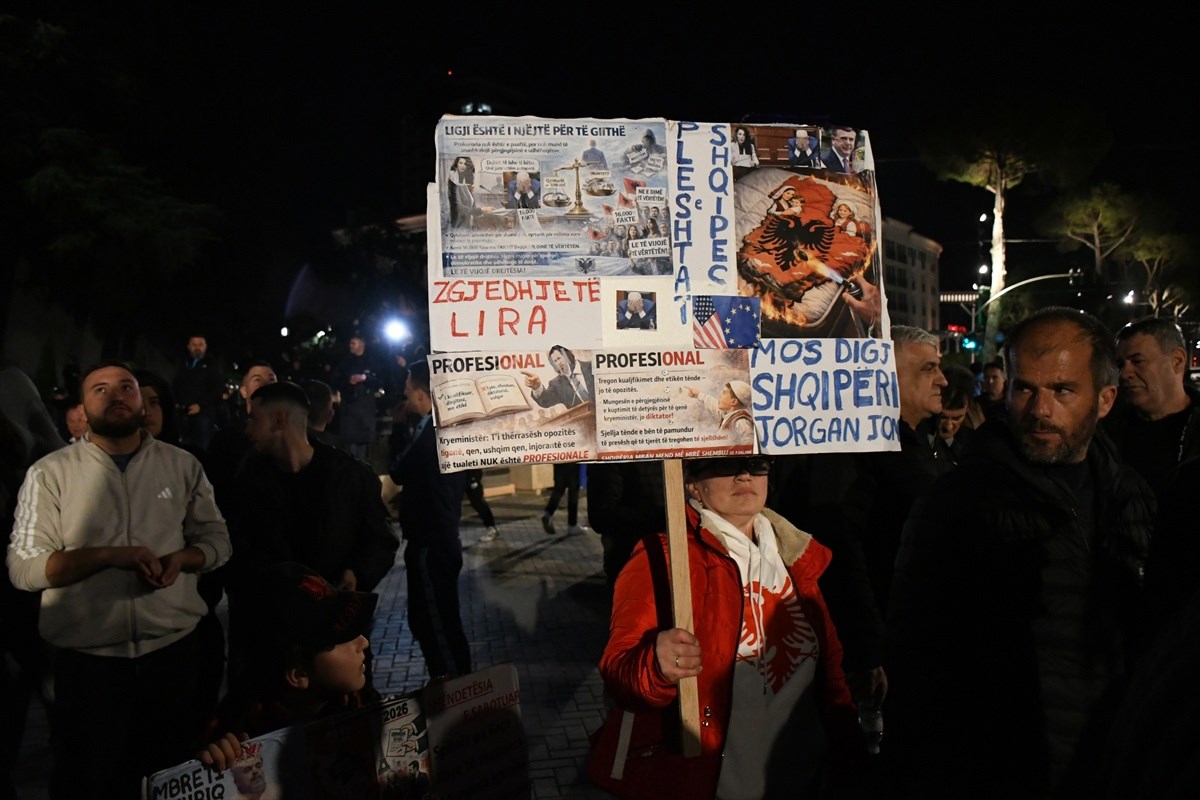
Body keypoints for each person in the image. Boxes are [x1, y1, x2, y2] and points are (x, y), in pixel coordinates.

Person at [886, 307, 1153, 798]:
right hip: (1002, 764)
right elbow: (915, 653)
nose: (1039, 409)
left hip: (1116, 756)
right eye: (1025, 388)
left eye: (1063, 390)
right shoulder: (957, 502)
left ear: (1106, 399)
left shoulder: (1132, 495)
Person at [7, 360, 231, 798]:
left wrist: (183, 559)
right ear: (81, 407)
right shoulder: (49, 474)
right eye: (100, 389)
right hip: (89, 666)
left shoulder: (181, 465)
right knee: (91, 781)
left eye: (126, 387)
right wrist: (110, 557)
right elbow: (24, 568)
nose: (116, 397)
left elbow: (218, 540)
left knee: (171, 776)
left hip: (173, 654)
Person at [587, 456, 861, 798]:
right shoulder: (664, 555)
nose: (745, 473)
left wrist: (848, 738)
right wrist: (656, 666)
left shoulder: (796, 553)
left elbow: (830, 668)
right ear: (692, 484)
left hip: (801, 775)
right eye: (725, 462)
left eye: (758, 463)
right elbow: (618, 671)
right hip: (712, 780)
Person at [225, 380, 398, 694]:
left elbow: (381, 540)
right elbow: (238, 558)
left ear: (279, 420)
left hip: (338, 638)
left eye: (254, 418)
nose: (248, 429)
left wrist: (356, 573)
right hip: (273, 644)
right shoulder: (245, 481)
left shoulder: (350, 476)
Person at [198, 561, 379, 771]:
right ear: (299, 674)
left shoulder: (357, 700)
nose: (362, 643)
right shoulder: (237, 732)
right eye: (339, 640)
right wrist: (214, 760)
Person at [388, 360, 471, 679]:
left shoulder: (431, 435)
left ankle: (456, 694)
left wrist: (397, 429)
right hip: (440, 540)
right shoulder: (445, 430)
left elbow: (398, 469)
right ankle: (451, 685)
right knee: (431, 621)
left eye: (409, 391)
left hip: (431, 543)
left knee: (437, 624)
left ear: (424, 394)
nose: (405, 398)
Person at [1103, 316, 1200, 498]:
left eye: (1138, 361)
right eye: (1120, 365)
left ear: (1177, 361)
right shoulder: (1104, 431)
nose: (1124, 374)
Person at [586, 460, 666, 593]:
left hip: (672, 560)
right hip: (630, 563)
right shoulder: (610, 454)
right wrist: (661, 517)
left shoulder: (671, 449)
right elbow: (600, 516)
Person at [331, 334, 384, 462]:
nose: (351, 346)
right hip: (350, 405)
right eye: (350, 343)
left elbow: (380, 380)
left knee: (363, 440)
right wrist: (349, 381)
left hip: (366, 405)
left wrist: (366, 378)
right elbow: (336, 379)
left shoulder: (372, 361)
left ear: (362, 343)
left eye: (353, 343)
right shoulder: (345, 362)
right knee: (350, 442)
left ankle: (362, 467)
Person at [172, 334, 225, 452]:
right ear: (188, 346)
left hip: (203, 416)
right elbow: (175, 385)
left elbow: (217, 390)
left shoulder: (213, 365)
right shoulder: (183, 364)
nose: (197, 348)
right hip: (183, 415)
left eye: (200, 345)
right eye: (194, 344)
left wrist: (200, 406)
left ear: (206, 347)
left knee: (200, 449)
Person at [522, 345, 594, 410]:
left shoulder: (592, 367)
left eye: (559, 358)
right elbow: (546, 401)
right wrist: (537, 387)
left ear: (567, 356)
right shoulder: (557, 384)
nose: (558, 363)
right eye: (555, 361)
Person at [686, 380, 754, 441]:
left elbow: (749, 441)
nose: (720, 396)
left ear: (733, 402)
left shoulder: (741, 422)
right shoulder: (727, 415)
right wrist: (698, 394)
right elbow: (713, 404)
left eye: (724, 393)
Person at [541, 463, 588, 537]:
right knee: (573, 490)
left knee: (559, 488)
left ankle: (548, 513)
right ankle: (572, 524)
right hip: (572, 459)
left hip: (559, 458)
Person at [464, 468, 500, 543]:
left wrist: (474, 479)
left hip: (471, 478)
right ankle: (491, 527)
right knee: (477, 503)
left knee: (478, 503)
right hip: (465, 477)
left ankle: (491, 528)